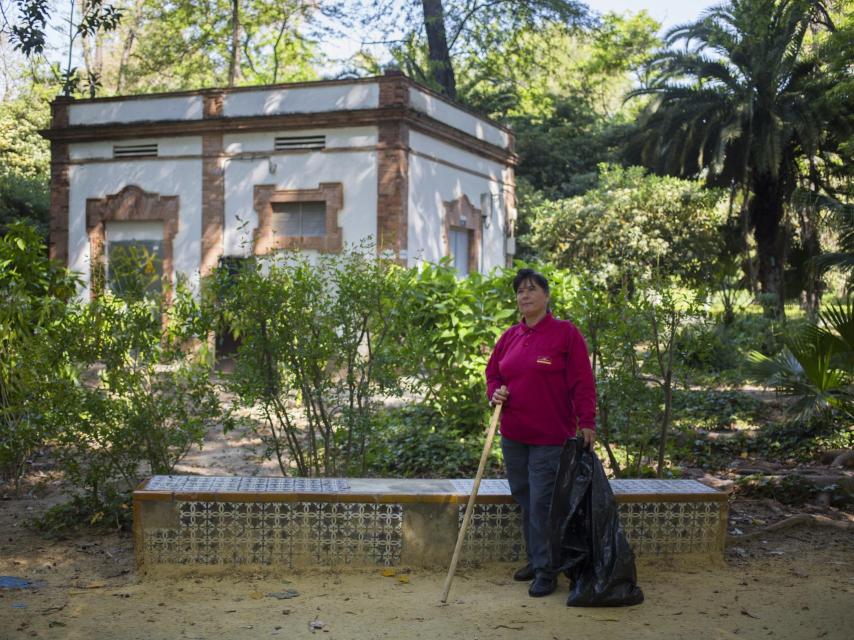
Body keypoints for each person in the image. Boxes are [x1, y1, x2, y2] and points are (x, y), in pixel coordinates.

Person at [485, 268, 596, 597]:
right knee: (525, 498)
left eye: (531, 289)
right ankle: (537, 559)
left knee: (543, 504)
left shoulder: (566, 334)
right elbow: (493, 374)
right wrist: (496, 393)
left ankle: (547, 570)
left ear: (546, 296)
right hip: (513, 434)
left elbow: (582, 382)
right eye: (519, 291)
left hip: (550, 436)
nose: (524, 296)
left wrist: (586, 421)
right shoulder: (510, 337)